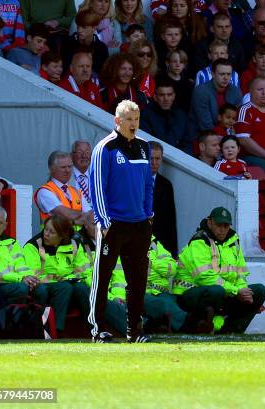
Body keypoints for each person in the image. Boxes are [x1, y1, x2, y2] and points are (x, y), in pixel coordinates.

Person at [88, 100, 154, 343]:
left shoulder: (144, 147)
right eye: (128, 119)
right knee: (102, 277)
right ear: (117, 121)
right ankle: (98, 329)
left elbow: (149, 184)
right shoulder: (104, 148)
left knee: (137, 281)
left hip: (139, 224)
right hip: (113, 223)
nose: (133, 124)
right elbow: (97, 187)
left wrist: (149, 214)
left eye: (136, 119)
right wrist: (103, 221)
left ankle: (135, 332)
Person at [175, 206, 265, 333]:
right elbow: (205, 277)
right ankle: (197, 326)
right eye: (219, 225)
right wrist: (236, 291)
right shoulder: (199, 241)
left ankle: (230, 331)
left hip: (223, 292)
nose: (222, 229)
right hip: (190, 294)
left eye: (226, 226)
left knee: (260, 291)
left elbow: (239, 273)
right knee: (216, 291)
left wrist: (243, 290)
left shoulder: (233, 242)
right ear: (210, 222)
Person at [23, 214, 92, 333]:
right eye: (46, 229)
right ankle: (55, 330)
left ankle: (91, 327)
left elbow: (84, 270)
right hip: (43, 285)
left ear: (61, 236)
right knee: (64, 287)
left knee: (82, 287)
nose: (46, 234)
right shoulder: (33, 246)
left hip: (67, 283)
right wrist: (58, 279)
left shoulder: (74, 243)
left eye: (52, 232)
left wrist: (68, 278)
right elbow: (34, 275)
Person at [34, 151, 93, 230]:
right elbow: (64, 215)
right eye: (63, 167)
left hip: (77, 241)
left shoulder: (76, 192)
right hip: (55, 241)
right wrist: (86, 218)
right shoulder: (44, 191)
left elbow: (91, 216)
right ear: (52, 169)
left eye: (69, 166)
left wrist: (85, 218)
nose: (67, 170)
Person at [0, 205, 33, 303]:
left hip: (15, 282)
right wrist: (20, 278)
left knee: (38, 288)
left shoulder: (11, 242)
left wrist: (29, 278)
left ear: (5, 225)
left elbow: (21, 265)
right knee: (21, 288)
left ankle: (41, 317)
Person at [190, 58, 242, 137]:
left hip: (228, 138)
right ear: (213, 74)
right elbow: (206, 125)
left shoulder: (235, 91)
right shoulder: (201, 91)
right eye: (222, 74)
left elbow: (237, 120)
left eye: (228, 74)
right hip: (202, 136)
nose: (225, 78)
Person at [140, 77, 191, 153]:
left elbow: (188, 142)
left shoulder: (181, 115)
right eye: (162, 95)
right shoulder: (146, 115)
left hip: (179, 160)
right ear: (155, 97)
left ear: (174, 96)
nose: (166, 99)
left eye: (169, 95)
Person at [149, 141, 177, 257]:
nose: (154, 163)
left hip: (161, 244)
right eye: (151, 158)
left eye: (157, 159)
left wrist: (173, 253)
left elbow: (171, 220)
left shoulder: (166, 185)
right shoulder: (133, 181)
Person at [60, 10, 109, 75]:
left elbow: (101, 73)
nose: (79, 30)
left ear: (94, 28)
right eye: (78, 26)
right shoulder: (67, 43)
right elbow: (64, 68)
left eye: (84, 27)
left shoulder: (101, 48)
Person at [69, 140, 93, 210]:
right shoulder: (65, 177)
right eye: (80, 152)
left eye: (87, 152)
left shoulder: (97, 176)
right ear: (71, 155)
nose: (84, 155)